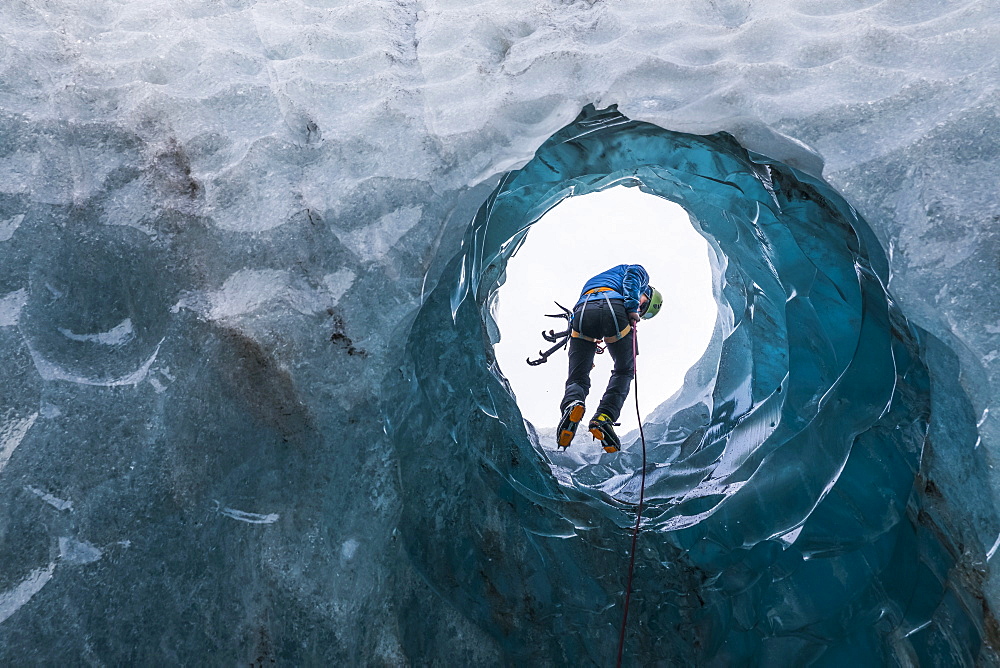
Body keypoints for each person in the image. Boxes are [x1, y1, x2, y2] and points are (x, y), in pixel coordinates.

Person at [556, 264, 663, 452]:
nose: (640, 308)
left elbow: (594, 312)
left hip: (582, 313)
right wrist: (632, 308)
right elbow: (632, 278)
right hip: (613, 307)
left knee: (578, 375)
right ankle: (604, 417)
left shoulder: (599, 280)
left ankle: (572, 404)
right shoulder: (638, 272)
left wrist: (591, 340)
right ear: (647, 290)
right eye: (644, 305)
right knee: (625, 369)